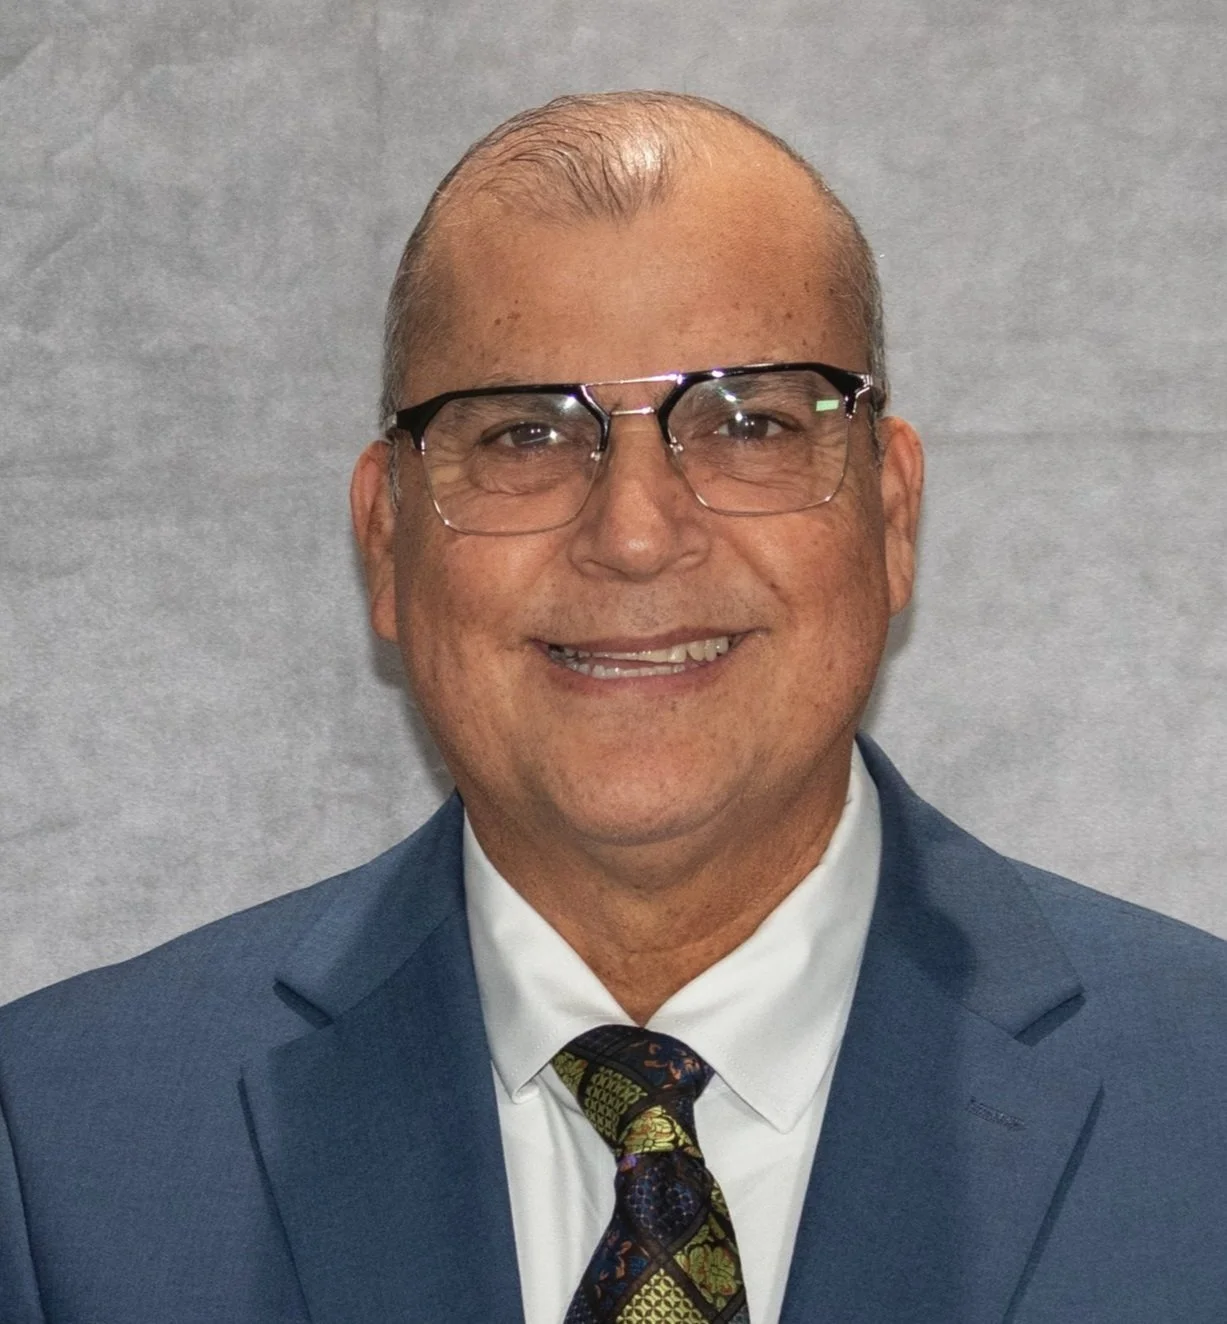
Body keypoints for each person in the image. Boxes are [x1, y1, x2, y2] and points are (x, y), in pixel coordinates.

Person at [1, 90, 1224, 1324]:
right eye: (525, 436)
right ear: (384, 540)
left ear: (892, 516)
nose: (636, 534)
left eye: (747, 422)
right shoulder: (59, 1151)